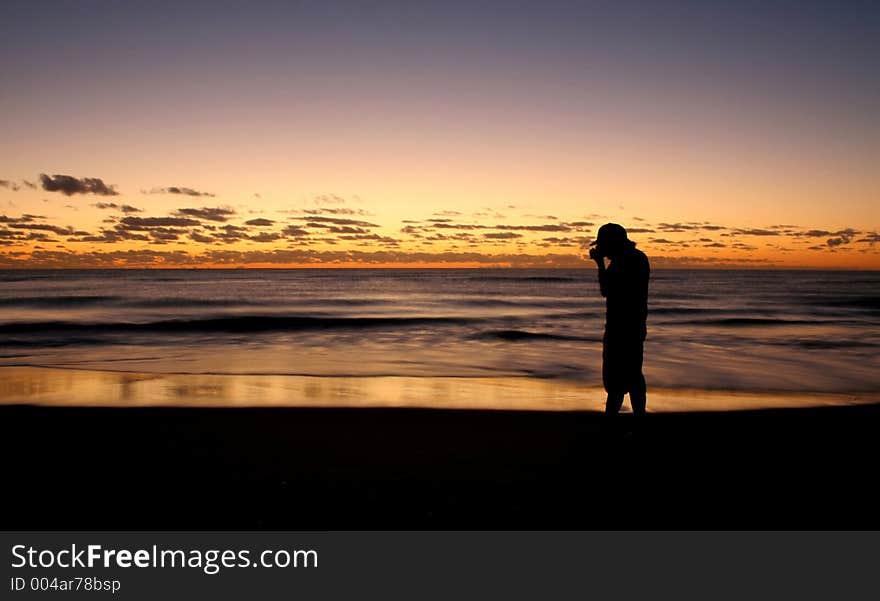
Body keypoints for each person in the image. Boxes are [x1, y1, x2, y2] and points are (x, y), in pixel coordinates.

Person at [588, 223, 650, 417]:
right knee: (632, 376)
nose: (601, 249)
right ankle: (636, 421)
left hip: (621, 327)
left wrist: (599, 264)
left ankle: (614, 422)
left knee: (618, 379)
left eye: (603, 245)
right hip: (634, 325)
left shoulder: (625, 262)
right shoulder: (636, 258)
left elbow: (607, 290)